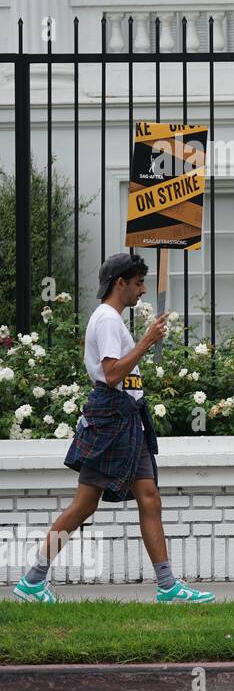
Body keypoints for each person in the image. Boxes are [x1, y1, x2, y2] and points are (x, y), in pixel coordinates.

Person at [13, 253, 214, 603]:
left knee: (149, 498)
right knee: (84, 505)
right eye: (137, 283)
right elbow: (112, 373)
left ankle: (167, 587)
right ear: (120, 283)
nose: (143, 290)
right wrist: (147, 342)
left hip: (125, 418)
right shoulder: (106, 319)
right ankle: (33, 579)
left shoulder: (112, 319)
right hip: (112, 418)